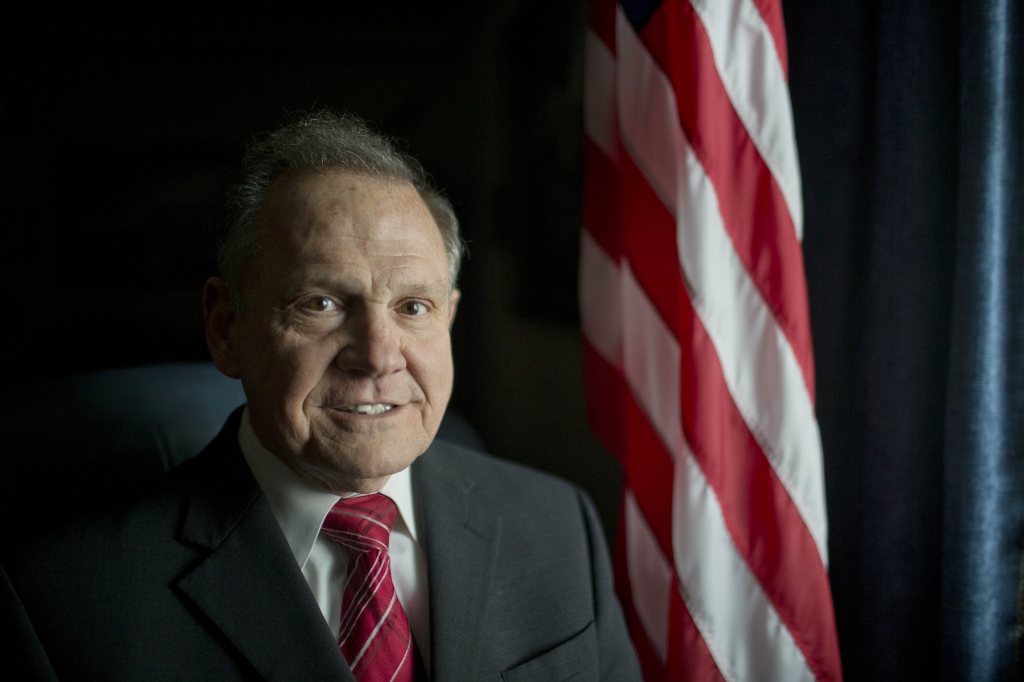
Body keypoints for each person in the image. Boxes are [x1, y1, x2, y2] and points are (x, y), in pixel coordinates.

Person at [1, 112, 641, 681]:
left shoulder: (559, 526)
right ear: (227, 328)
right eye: (322, 304)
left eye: (413, 307)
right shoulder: (61, 601)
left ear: (447, 319)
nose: (380, 354)